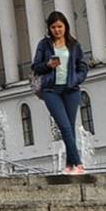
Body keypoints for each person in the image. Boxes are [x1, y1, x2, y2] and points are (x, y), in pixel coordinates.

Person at [31, 12, 90, 175]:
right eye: (53, 27)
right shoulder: (44, 45)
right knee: (64, 126)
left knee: (69, 127)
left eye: (60, 26)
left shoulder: (74, 45)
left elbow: (83, 67)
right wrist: (48, 65)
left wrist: (76, 79)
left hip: (71, 90)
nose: (57, 30)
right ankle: (78, 163)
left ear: (65, 27)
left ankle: (69, 166)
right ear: (49, 28)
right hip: (51, 90)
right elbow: (35, 66)